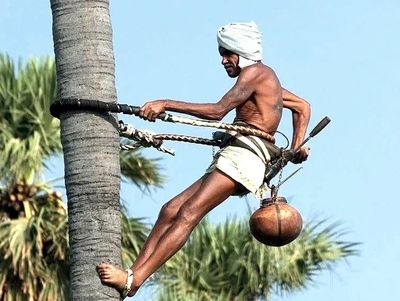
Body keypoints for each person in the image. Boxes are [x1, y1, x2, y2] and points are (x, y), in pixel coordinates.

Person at [96, 21, 311, 298]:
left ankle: (134, 279)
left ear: (241, 51)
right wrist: (295, 147)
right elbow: (302, 107)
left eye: (227, 54)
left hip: (245, 157)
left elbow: (218, 111)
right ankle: (132, 277)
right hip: (235, 153)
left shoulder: (256, 73)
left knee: (188, 214)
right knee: (170, 210)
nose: (223, 61)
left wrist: (165, 103)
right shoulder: (264, 79)